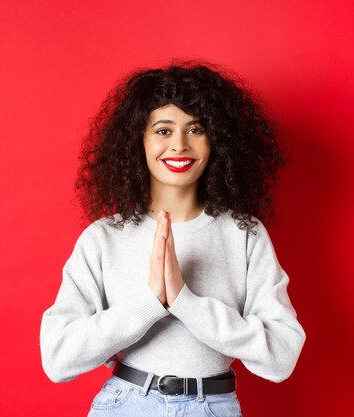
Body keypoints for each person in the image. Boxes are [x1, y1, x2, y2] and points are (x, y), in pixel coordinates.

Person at [39, 60, 306, 417]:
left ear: (217, 140)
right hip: (125, 405)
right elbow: (58, 359)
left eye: (195, 129)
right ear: (139, 140)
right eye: (163, 130)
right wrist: (148, 303)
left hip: (213, 406)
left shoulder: (243, 234)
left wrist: (185, 301)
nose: (179, 145)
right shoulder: (103, 238)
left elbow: (281, 357)